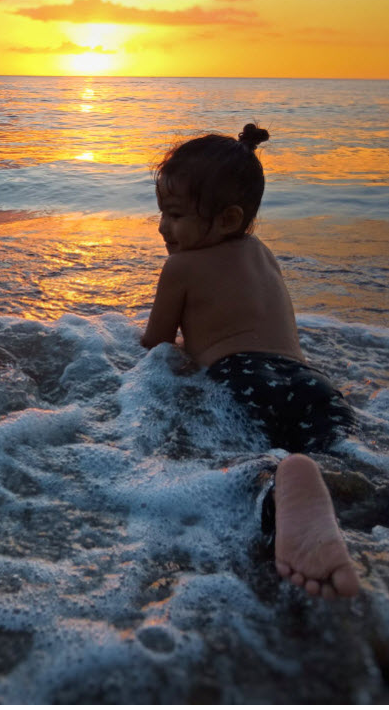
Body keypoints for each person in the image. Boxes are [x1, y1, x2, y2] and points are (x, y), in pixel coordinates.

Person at [142, 124, 359, 598]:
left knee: (247, 461)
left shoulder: (181, 267)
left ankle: (277, 496)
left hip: (240, 378)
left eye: (174, 215)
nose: (162, 227)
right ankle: (333, 502)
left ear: (227, 219)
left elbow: (155, 347)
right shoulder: (264, 255)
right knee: (342, 459)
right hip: (310, 383)